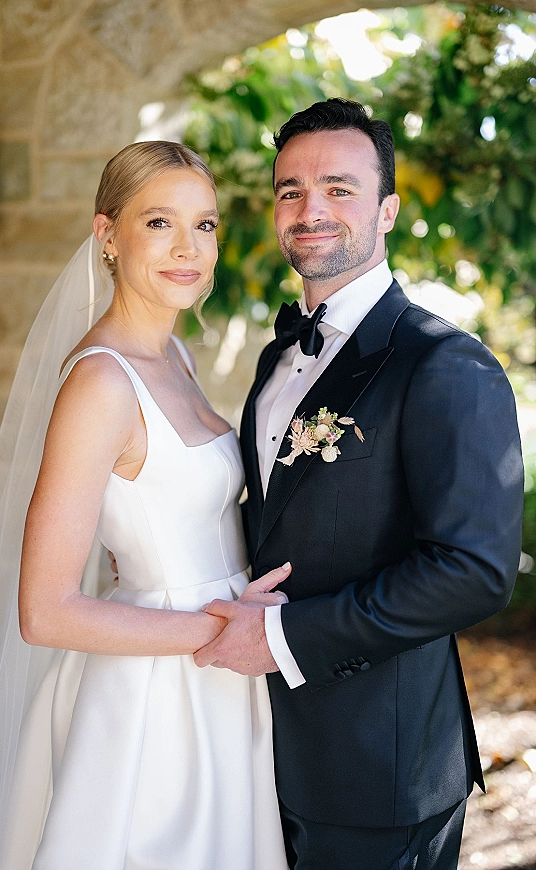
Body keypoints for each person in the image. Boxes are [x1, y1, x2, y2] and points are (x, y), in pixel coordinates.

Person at [194, 98, 524, 869]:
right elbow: (281, 522)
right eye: (290, 191)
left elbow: (473, 573)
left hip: (381, 768)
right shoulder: (278, 362)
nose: (311, 210)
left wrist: (282, 638)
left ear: (387, 210)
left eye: (339, 188)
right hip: (256, 747)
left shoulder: (447, 364)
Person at [0, 141, 290, 870]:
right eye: (159, 223)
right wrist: (219, 630)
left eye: (203, 226)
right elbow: (45, 612)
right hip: (153, 696)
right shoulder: (101, 385)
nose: (188, 249)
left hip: (221, 671)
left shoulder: (176, 357)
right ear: (107, 235)